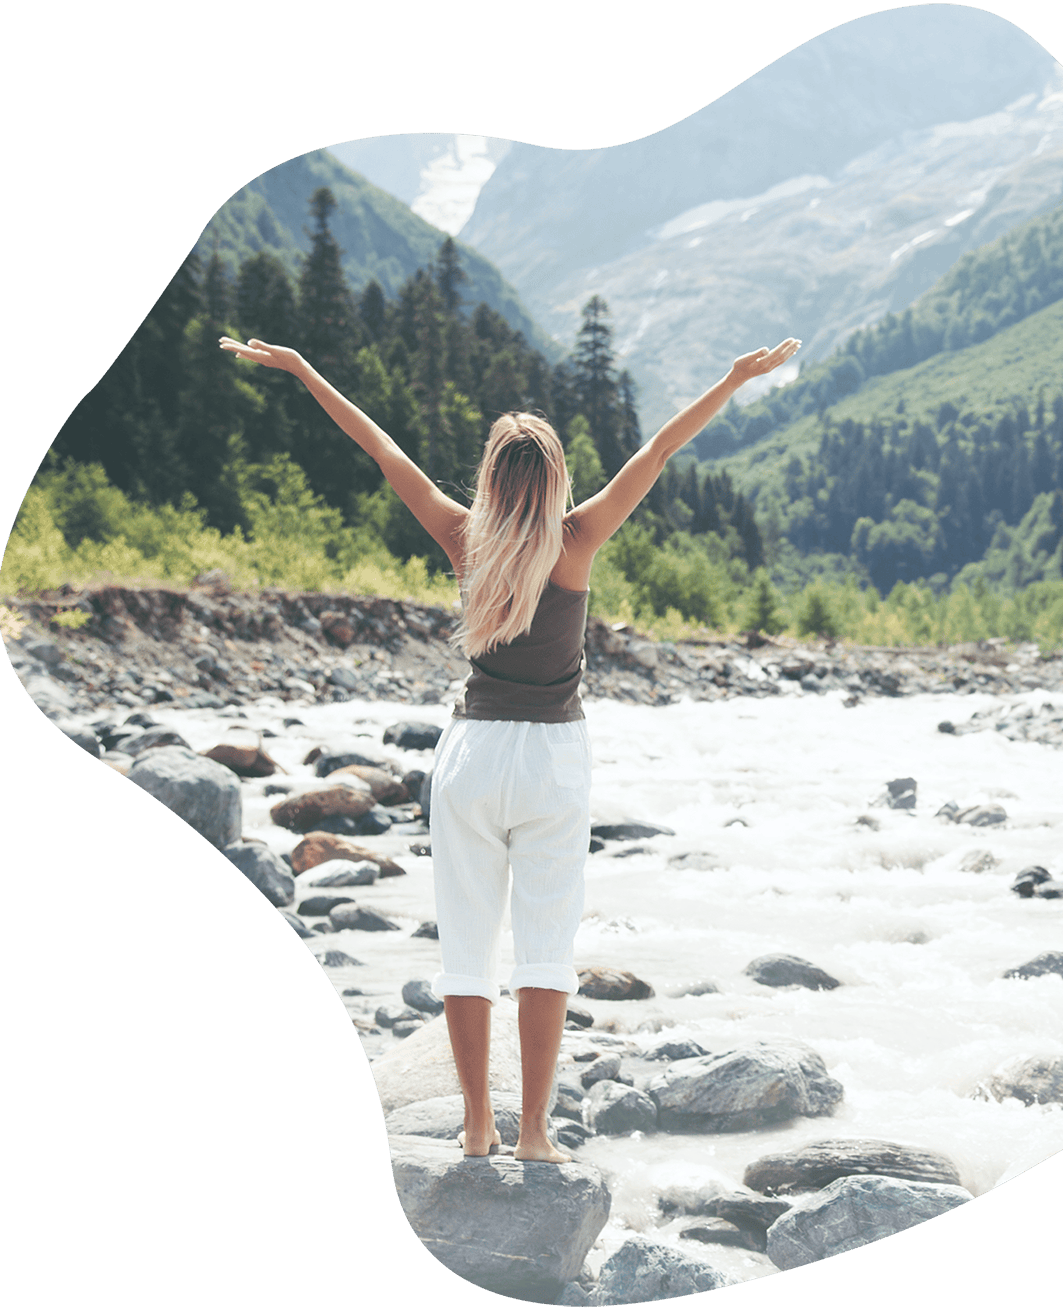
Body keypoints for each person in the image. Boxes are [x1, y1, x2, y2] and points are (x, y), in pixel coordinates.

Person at [218, 331, 801, 1161]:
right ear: (557, 477)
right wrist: (734, 378)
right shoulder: (579, 536)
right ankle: (533, 1133)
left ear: (489, 479)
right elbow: (661, 446)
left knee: (465, 947)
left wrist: (305, 368)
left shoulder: (464, 535)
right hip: (553, 763)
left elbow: (380, 446)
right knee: (545, 951)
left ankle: (476, 1126)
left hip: (470, 759)